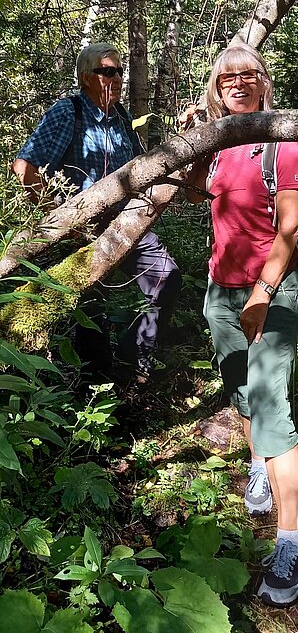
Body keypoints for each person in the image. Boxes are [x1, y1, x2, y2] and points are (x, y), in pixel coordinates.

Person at [183, 43, 298, 607]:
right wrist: (188, 147)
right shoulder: (217, 144)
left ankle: (291, 542)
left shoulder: (281, 144)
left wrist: (261, 293)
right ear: (216, 85)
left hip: (272, 293)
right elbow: (195, 197)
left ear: (264, 82)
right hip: (220, 294)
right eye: (227, 75)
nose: (237, 81)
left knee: (271, 404)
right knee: (241, 386)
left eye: (249, 74)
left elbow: (289, 232)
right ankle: (258, 463)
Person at [13, 42, 181, 386]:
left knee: (167, 277)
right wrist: (60, 216)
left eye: (119, 71)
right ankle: (98, 390)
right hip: (82, 228)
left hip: (125, 223)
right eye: (107, 71)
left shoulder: (120, 119)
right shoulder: (68, 112)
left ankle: (134, 359)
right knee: (91, 313)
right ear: (86, 77)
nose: (116, 77)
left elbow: (142, 168)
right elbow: (25, 167)